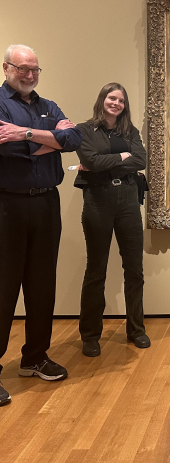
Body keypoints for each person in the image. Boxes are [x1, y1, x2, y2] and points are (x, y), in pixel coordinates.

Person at [0, 44, 81, 406]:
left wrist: (26, 134)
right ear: (7, 68)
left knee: (41, 284)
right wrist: (51, 138)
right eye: (23, 69)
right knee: (3, 288)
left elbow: (74, 139)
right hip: (8, 205)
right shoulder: (1, 104)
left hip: (47, 202)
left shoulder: (48, 106)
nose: (30, 75)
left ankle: (34, 358)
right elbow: (6, 149)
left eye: (35, 69)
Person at [74, 83, 149, 357]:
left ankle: (136, 330)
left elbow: (140, 160)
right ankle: (90, 336)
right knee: (96, 270)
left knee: (134, 269)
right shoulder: (84, 130)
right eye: (111, 97)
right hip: (98, 200)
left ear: (124, 105)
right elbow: (90, 160)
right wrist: (120, 156)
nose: (115, 103)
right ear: (102, 100)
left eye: (120, 100)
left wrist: (106, 162)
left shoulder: (130, 131)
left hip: (128, 198)